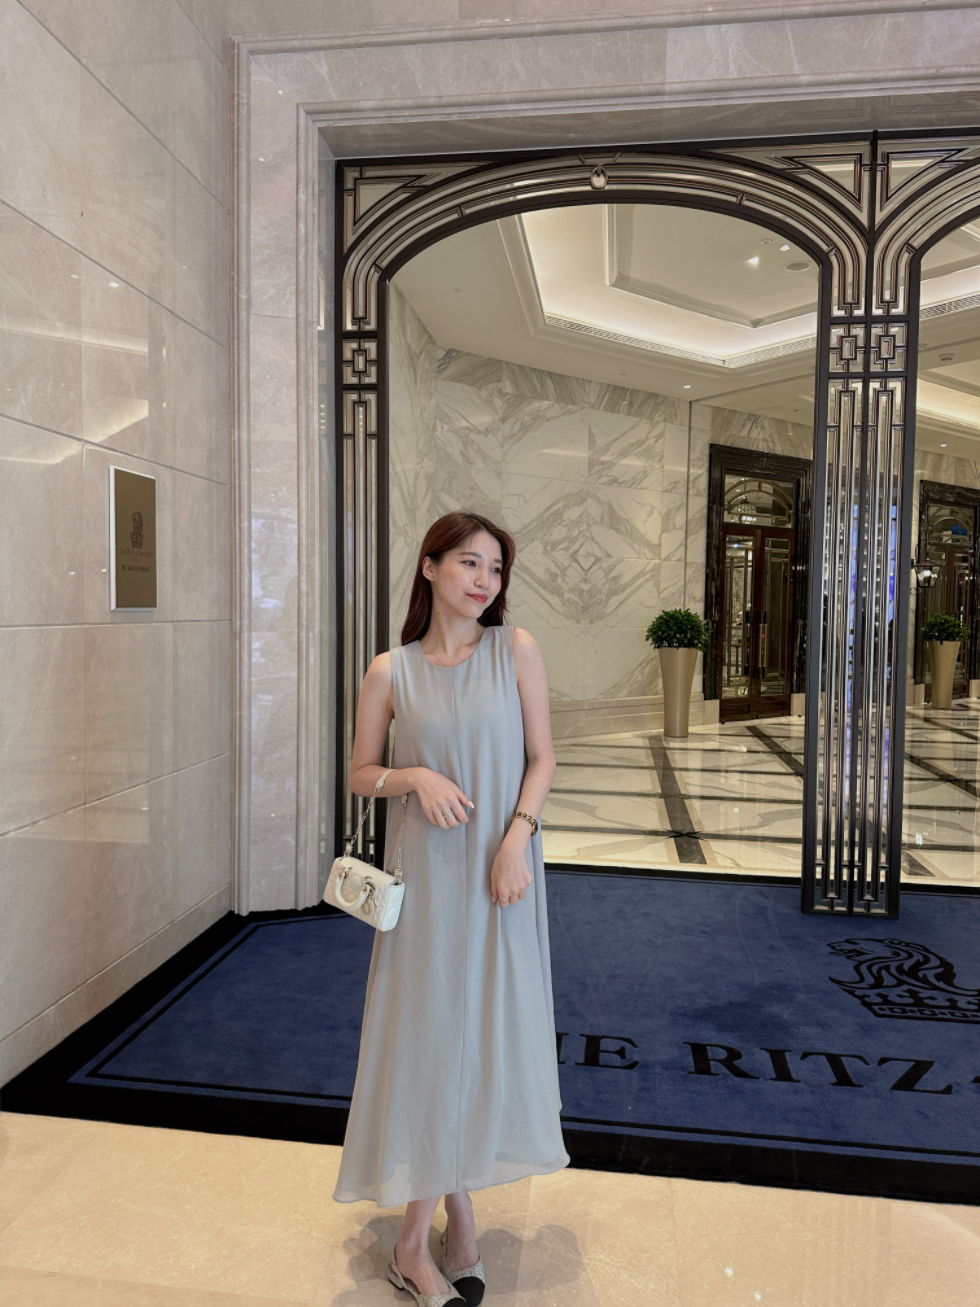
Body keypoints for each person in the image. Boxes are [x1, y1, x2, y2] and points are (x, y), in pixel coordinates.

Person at [333, 510, 569, 1306]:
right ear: (430, 566)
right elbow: (361, 771)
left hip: (502, 874)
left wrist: (516, 839)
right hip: (428, 882)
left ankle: (435, 1223)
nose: (484, 580)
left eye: (495, 568)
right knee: (434, 1038)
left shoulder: (515, 649)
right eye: (469, 562)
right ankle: (429, 1231)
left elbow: (543, 757)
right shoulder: (390, 671)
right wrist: (416, 777)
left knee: (481, 1034)